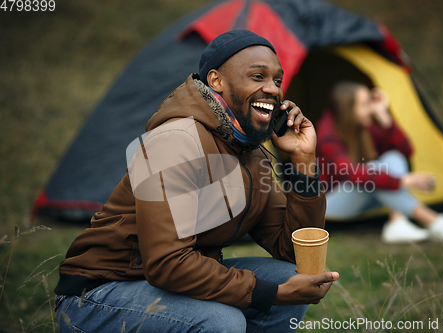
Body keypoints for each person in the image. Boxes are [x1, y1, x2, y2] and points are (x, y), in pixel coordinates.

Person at [53, 30, 338, 333]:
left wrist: (304, 159)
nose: (273, 89)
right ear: (217, 81)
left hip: (167, 284)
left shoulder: (251, 154)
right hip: (98, 295)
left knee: (290, 276)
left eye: (277, 81)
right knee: (220, 321)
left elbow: (292, 251)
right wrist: (271, 294)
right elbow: (167, 262)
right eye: (258, 77)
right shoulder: (175, 141)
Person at [316, 81, 443, 244]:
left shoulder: (361, 126)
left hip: (363, 196)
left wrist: (384, 116)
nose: (370, 108)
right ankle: (432, 220)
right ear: (348, 109)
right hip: (330, 205)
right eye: (365, 104)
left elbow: (405, 151)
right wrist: (403, 181)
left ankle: (397, 221)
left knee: (393, 157)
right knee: (373, 170)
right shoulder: (327, 137)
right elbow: (353, 174)